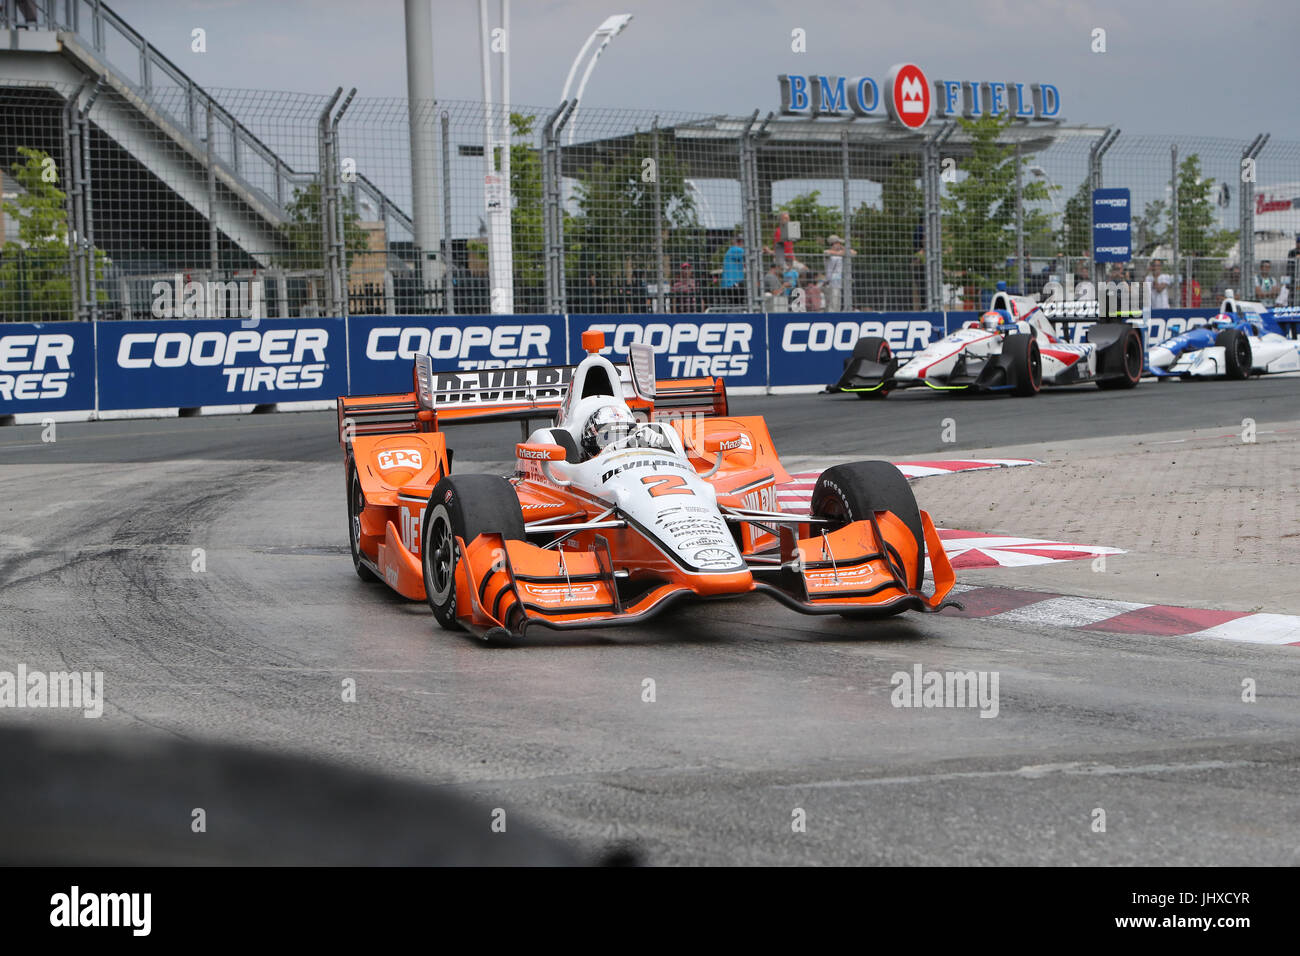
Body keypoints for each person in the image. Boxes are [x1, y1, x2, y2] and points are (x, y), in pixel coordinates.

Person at [823, 235, 856, 311]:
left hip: (839, 283)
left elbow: (854, 253)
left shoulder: (841, 252)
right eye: (839, 243)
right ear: (834, 243)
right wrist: (843, 252)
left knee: (838, 305)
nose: (840, 245)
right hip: (831, 282)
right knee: (832, 305)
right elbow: (829, 252)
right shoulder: (827, 252)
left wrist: (843, 249)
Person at [720, 235, 745, 306]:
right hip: (732, 285)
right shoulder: (735, 249)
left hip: (730, 286)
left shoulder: (731, 251)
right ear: (739, 242)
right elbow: (751, 254)